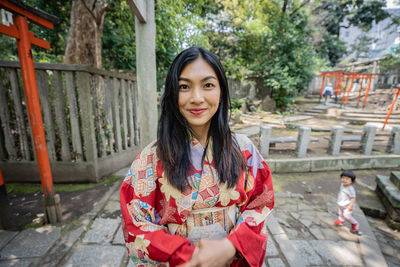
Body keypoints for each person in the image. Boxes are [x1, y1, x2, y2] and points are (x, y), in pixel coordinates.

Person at [120, 46, 274, 267]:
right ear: (173, 94)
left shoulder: (245, 150)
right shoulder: (150, 158)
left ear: (221, 91)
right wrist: (186, 256)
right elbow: (136, 224)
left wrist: (232, 246)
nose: (196, 98)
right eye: (184, 87)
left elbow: (260, 205)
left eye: (208, 85)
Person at [334, 170, 360, 235]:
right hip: (341, 202)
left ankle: (354, 223)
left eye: (347, 179)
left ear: (352, 181)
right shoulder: (342, 184)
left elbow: (353, 198)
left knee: (347, 215)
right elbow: (341, 191)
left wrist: (350, 206)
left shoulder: (351, 189)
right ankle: (341, 220)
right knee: (340, 212)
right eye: (343, 178)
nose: (344, 180)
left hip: (348, 205)